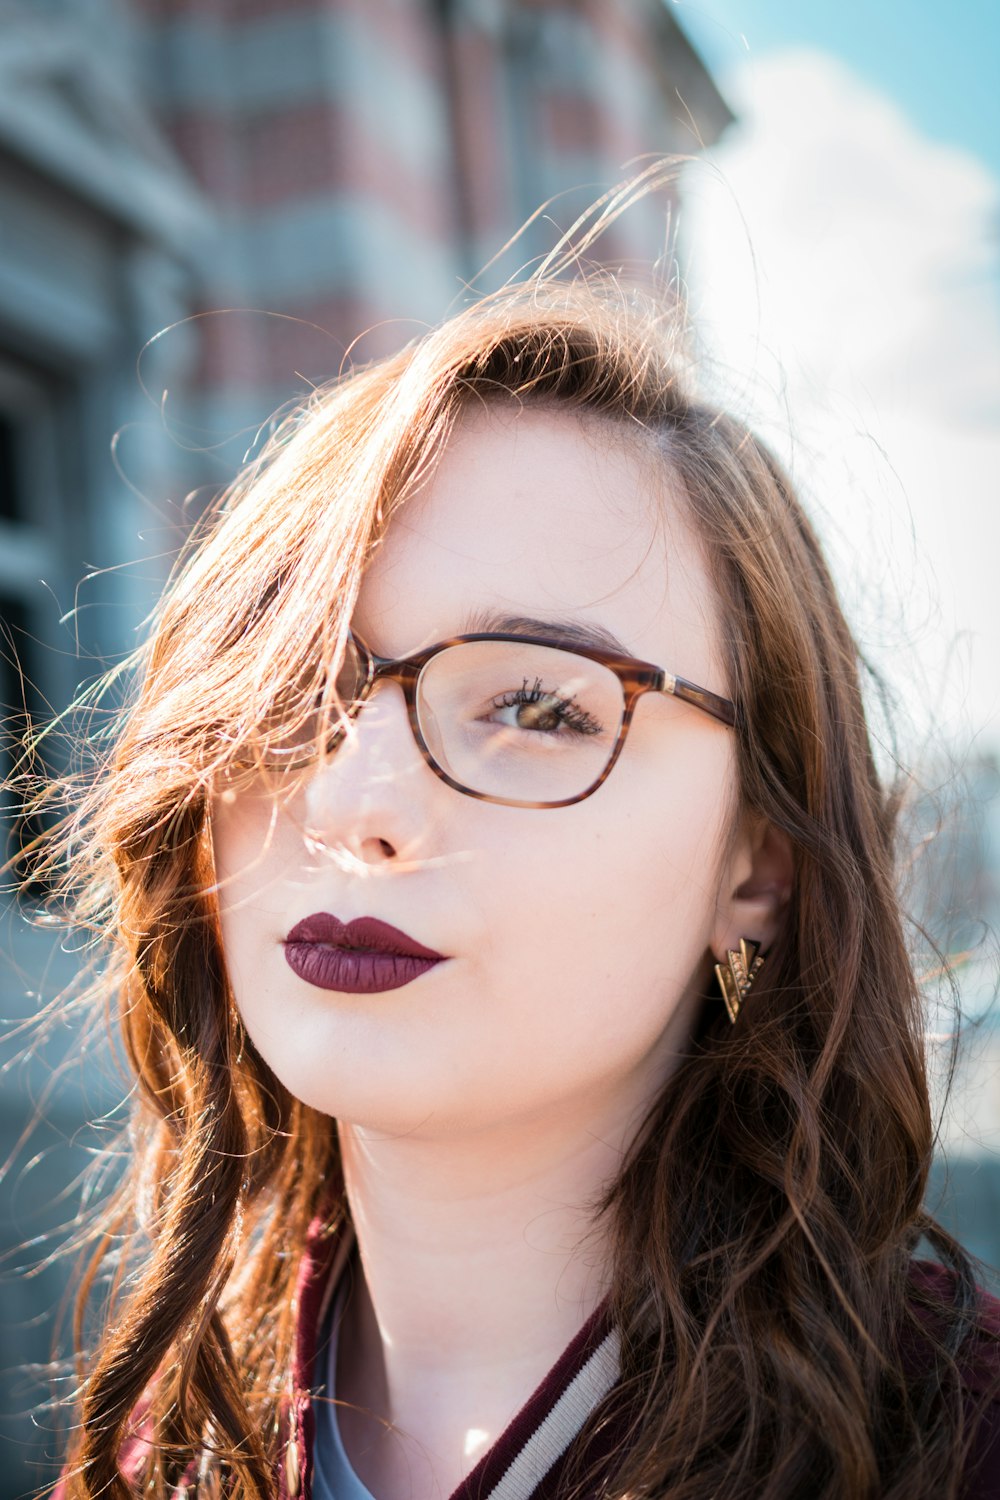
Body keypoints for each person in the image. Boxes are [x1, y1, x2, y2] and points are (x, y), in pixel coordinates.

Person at [33, 229, 1000, 1500]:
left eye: (539, 708)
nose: (350, 801)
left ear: (755, 867)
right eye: (286, 690)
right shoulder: (172, 1427)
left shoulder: (949, 1440)